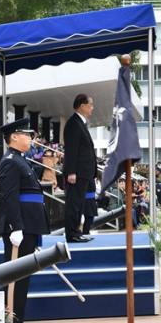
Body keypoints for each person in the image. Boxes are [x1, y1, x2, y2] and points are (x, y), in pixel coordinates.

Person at [0, 118, 49, 323]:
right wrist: (15, 226)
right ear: (14, 137)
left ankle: (18, 320)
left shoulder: (21, 159)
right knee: (15, 276)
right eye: (26, 134)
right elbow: (9, 196)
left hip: (29, 225)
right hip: (20, 227)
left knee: (23, 275)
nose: (30, 138)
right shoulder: (10, 160)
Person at [63, 94, 97, 243]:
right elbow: (72, 149)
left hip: (84, 172)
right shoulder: (73, 123)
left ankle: (76, 231)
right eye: (90, 104)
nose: (92, 108)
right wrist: (71, 171)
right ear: (82, 106)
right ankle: (71, 233)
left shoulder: (80, 123)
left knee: (79, 204)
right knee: (73, 203)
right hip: (77, 172)